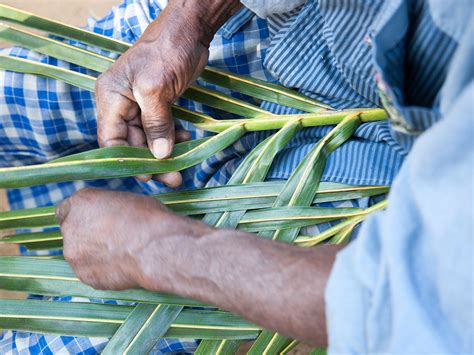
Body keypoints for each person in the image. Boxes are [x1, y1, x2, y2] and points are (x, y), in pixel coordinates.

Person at [0, 0, 472, 353]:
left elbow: (404, 308)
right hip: (300, 27)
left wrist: (156, 250)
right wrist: (185, 23)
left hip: (352, 217)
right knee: (20, 97)